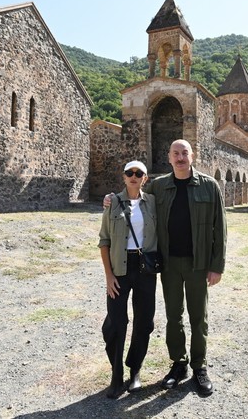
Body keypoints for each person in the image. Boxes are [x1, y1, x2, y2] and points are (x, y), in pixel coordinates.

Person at [104, 139, 226, 396]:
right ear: (169, 158)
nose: (180, 157)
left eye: (184, 153)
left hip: (198, 263)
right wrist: (111, 199)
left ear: (192, 156)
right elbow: (134, 194)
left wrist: (217, 266)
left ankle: (199, 368)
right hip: (168, 262)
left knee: (198, 317)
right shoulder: (159, 186)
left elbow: (220, 228)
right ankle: (178, 364)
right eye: (175, 153)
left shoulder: (210, 186)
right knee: (173, 316)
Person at [98, 160, 159, 399]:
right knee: (115, 322)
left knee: (144, 322)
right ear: (123, 177)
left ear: (145, 178)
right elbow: (104, 240)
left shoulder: (153, 203)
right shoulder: (112, 202)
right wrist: (108, 275)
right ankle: (116, 374)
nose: (133, 176)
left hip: (145, 269)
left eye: (139, 173)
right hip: (119, 269)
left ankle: (135, 370)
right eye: (129, 173)